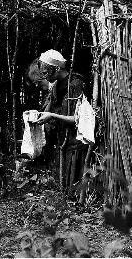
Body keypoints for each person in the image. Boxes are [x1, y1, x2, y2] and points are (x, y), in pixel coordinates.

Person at [34, 49, 87, 183]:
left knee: (74, 182)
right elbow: (52, 109)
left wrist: (52, 115)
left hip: (75, 143)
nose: (45, 77)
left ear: (57, 69)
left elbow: (78, 119)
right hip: (62, 141)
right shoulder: (56, 86)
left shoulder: (75, 84)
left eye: (46, 72)